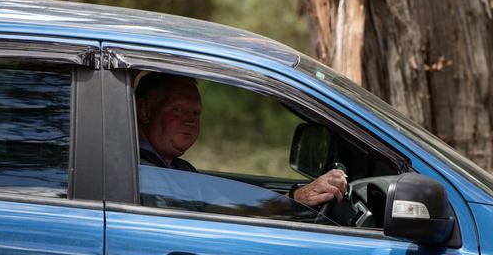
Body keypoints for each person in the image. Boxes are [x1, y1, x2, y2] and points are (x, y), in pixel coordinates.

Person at [135, 72, 347, 208]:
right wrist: (297, 199)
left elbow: (227, 203)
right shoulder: (143, 173)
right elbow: (221, 212)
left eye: (196, 113)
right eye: (178, 109)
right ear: (145, 111)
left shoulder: (179, 169)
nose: (190, 120)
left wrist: (293, 198)